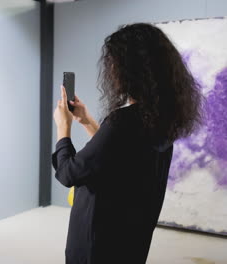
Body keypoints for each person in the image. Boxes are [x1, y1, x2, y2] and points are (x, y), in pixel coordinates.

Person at [52, 23, 203, 264]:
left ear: (129, 69)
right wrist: (86, 120)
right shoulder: (160, 119)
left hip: (98, 243)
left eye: (113, 62)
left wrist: (63, 128)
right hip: (131, 240)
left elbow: (69, 173)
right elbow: (116, 153)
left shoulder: (123, 121)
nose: (110, 69)